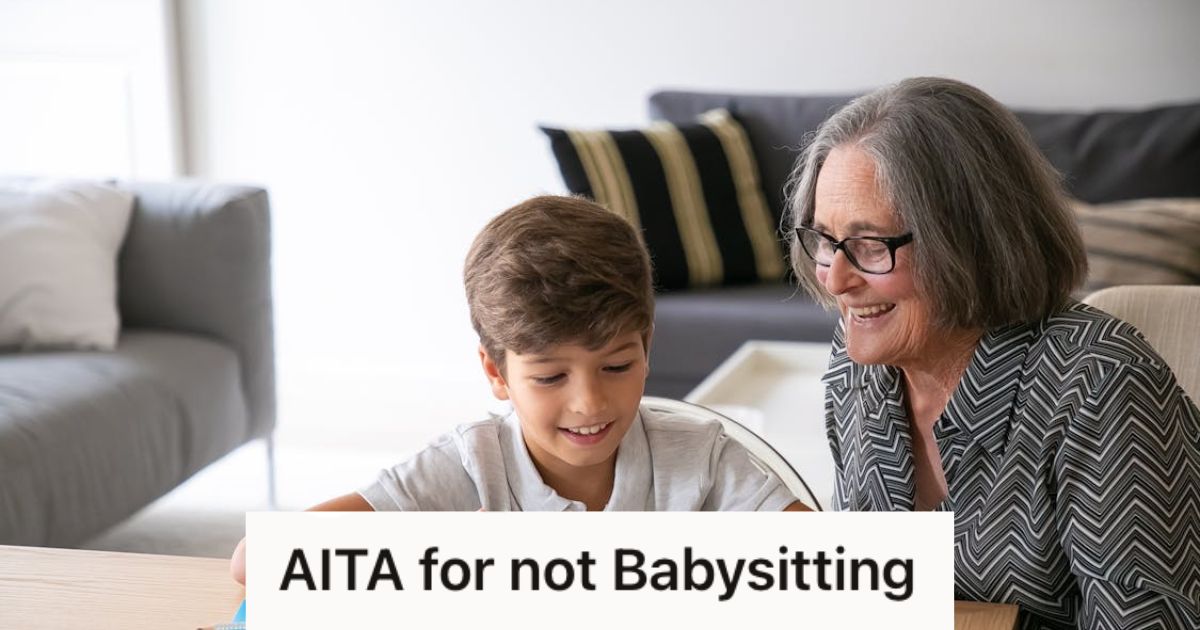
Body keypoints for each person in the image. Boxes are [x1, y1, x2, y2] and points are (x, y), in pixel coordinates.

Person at [786, 77, 1200, 628]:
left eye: (869, 244)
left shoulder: (1103, 387)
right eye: (824, 239)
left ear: (968, 241)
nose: (835, 279)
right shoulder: (860, 365)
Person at [230, 195, 807, 584]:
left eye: (616, 366)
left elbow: (840, 569)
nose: (590, 403)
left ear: (647, 346)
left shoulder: (700, 457)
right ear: (496, 373)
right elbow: (253, 561)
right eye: (551, 377)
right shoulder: (467, 465)